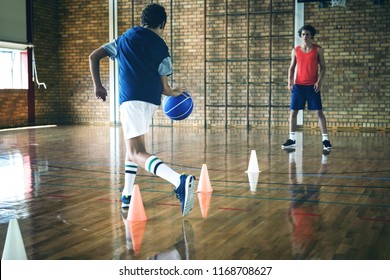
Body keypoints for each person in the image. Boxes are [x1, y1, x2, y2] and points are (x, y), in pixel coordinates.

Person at [89, 3, 196, 216]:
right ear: (162, 24)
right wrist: (174, 92)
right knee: (133, 150)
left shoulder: (123, 40)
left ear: (142, 20)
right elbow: (165, 88)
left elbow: (93, 56)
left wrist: (98, 85)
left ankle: (179, 180)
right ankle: (127, 196)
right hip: (151, 102)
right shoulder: (162, 48)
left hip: (130, 101)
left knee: (136, 152)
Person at [282, 25, 332, 151]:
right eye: (303, 34)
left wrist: (319, 81)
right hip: (298, 86)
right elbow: (291, 67)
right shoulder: (295, 50)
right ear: (301, 36)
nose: (305, 36)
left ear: (312, 36)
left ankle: (325, 140)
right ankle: (291, 139)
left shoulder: (318, 50)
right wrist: (290, 82)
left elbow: (323, 67)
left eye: (307, 34)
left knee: (319, 113)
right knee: (293, 112)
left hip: (312, 87)